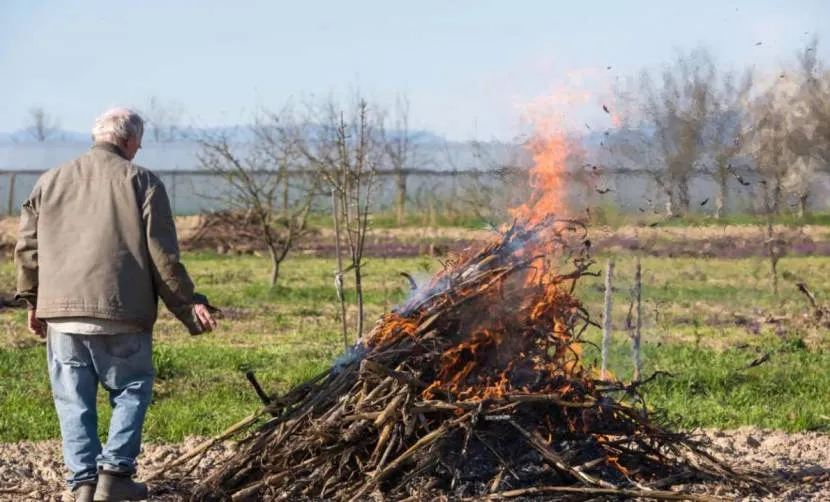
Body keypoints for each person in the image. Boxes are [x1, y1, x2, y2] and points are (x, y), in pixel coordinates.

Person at [14, 107, 219, 502]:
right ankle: (116, 474)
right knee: (132, 389)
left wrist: (34, 302)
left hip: (62, 315)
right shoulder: (142, 181)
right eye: (138, 144)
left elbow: (28, 249)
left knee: (73, 400)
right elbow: (163, 256)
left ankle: (83, 484)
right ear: (127, 141)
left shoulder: (50, 181)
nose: (138, 150)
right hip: (122, 312)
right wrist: (188, 305)